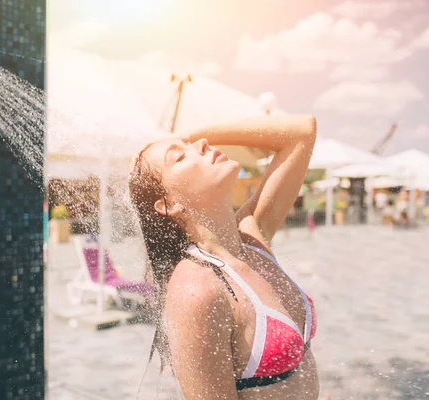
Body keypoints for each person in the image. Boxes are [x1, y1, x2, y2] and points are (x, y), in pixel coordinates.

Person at [129, 115, 319, 400]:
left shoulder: (253, 237)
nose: (203, 144)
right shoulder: (196, 290)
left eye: (193, 144)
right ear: (170, 205)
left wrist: (187, 133)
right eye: (179, 157)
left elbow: (301, 133)